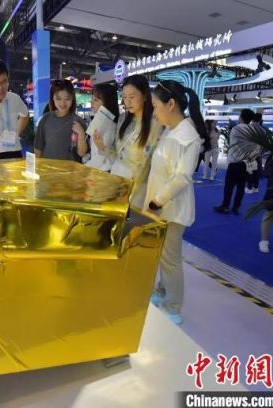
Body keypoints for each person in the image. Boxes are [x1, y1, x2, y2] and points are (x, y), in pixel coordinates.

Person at [146, 80, 209, 325]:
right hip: (161, 207)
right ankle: (163, 292)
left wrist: (157, 201)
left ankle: (173, 306)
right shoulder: (171, 131)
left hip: (171, 209)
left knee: (170, 259)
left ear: (170, 104)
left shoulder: (187, 137)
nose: (154, 111)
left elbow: (182, 176)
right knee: (164, 256)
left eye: (155, 106)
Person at [108, 74, 164, 207]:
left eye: (132, 97)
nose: (127, 102)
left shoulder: (155, 123)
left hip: (137, 184)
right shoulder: (123, 119)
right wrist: (103, 147)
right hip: (117, 177)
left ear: (144, 96)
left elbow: (147, 161)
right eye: (124, 97)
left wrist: (132, 189)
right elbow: (118, 153)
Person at [214, 108, 255, 214]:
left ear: (241, 117)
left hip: (235, 162)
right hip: (246, 163)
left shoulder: (236, 128)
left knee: (229, 186)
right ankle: (236, 207)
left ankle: (225, 206)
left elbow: (232, 142)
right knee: (241, 187)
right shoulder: (252, 130)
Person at [34, 79, 87, 162]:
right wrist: (37, 166)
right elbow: (38, 148)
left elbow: (82, 153)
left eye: (67, 99)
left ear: (72, 98)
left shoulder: (78, 122)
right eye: (58, 98)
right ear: (53, 98)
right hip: (47, 167)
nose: (63, 103)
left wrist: (81, 134)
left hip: (70, 169)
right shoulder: (45, 119)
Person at [85, 83, 120, 171]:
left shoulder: (104, 122)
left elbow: (99, 158)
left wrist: (84, 168)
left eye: (96, 100)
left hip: (100, 171)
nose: (92, 102)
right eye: (92, 99)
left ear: (107, 102)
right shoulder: (111, 122)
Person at [246, 113, 265, 193]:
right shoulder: (263, 130)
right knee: (256, 170)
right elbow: (263, 143)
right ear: (260, 119)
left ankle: (249, 187)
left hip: (250, 153)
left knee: (250, 170)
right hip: (258, 153)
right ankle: (255, 187)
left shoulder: (248, 128)